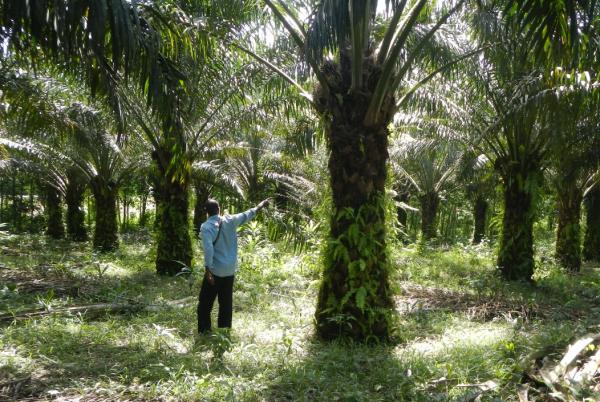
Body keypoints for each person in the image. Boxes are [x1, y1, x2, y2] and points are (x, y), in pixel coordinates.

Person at [197, 198, 270, 334]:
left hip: (215, 271)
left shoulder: (206, 227)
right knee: (225, 304)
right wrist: (261, 205)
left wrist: (208, 270)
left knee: (205, 304)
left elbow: (208, 249)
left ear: (206, 212)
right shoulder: (230, 220)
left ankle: (204, 331)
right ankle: (224, 333)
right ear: (218, 209)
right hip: (229, 271)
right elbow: (248, 214)